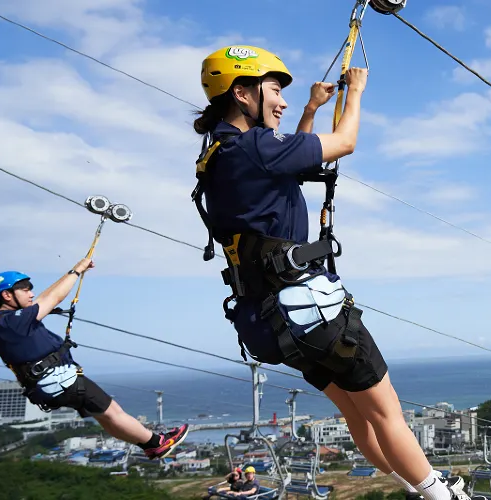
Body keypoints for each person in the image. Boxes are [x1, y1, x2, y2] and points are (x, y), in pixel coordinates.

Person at [191, 45, 467, 500]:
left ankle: (416, 486)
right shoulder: (254, 146)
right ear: (242, 93)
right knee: (386, 414)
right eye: (274, 91)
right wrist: (355, 92)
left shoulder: (224, 151)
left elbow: (290, 162)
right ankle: (439, 494)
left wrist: (311, 110)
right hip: (312, 311)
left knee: (358, 416)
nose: (281, 102)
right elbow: (344, 143)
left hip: (274, 321)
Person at [0, 263, 189, 460]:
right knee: (114, 412)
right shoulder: (13, 322)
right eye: (25, 290)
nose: (31, 294)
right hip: (63, 382)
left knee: (105, 417)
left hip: (47, 387)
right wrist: (77, 270)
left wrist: (72, 272)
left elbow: (44, 298)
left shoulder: (2, 322)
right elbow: (52, 298)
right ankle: (157, 443)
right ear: (7, 295)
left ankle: (146, 445)